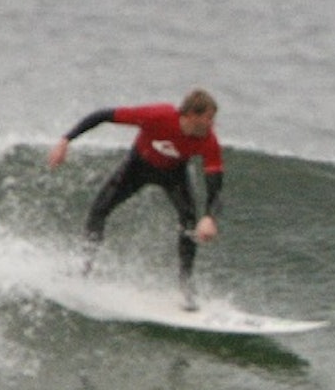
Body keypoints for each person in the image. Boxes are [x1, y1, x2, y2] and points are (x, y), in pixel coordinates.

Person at [47, 89, 223, 309]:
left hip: (174, 175)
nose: (212, 124)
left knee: (189, 223)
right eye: (208, 118)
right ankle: (84, 268)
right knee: (99, 209)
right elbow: (103, 115)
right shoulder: (158, 116)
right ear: (190, 115)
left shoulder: (208, 140)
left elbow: (215, 182)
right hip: (137, 168)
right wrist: (66, 140)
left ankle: (186, 287)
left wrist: (209, 217)